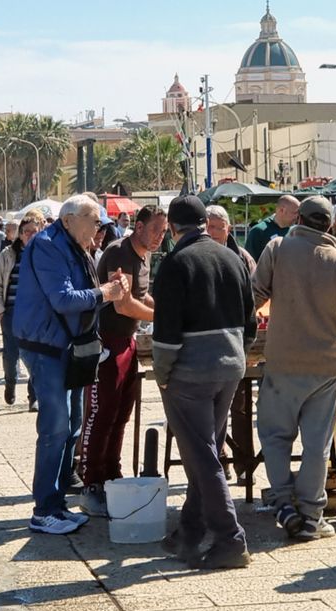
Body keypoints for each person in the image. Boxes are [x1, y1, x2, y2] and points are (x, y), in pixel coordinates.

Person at [252, 197, 336, 540]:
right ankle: (311, 515)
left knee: (274, 438)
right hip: (324, 365)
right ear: (329, 226)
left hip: (281, 360)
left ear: (299, 219)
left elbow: (253, 296)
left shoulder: (277, 249)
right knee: (317, 445)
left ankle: (284, 505)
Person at [14, 194, 129, 535]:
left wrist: (109, 290)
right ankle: (44, 509)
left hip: (71, 346)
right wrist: (105, 293)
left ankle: (58, 503)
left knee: (73, 425)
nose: (99, 230)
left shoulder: (76, 247)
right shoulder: (48, 246)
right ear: (68, 220)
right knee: (55, 427)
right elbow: (63, 300)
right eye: (94, 222)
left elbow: (84, 296)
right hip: (47, 346)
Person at [153, 195, 257, 569]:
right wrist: (237, 354)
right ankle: (190, 531)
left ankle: (230, 538)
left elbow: (166, 336)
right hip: (230, 367)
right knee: (205, 451)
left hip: (190, 373)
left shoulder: (175, 264)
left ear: (172, 227)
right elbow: (251, 324)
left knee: (202, 457)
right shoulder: (233, 257)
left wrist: (163, 376)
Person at [78, 204, 167, 516]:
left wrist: (170, 307)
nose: (159, 237)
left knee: (121, 414)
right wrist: (164, 317)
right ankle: (90, 483)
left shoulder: (144, 256)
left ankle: (111, 476)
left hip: (128, 341)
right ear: (138, 227)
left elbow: (142, 298)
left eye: (164, 232)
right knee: (100, 413)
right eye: (155, 230)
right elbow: (124, 305)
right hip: (107, 342)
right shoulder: (119, 252)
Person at [205, 205, 256, 483]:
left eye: (217, 227)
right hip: (206, 347)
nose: (212, 233)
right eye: (208, 227)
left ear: (227, 229)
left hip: (236, 344)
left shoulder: (243, 259)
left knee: (240, 407)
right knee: (209, 410)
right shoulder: (197, 256)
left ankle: (244, 464)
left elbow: (255, 299)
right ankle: (218, 460)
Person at [0, 217, 38, 410]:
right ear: (20, 234)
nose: (31, 235)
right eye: (27, 232)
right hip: (10, 313)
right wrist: (0, 312)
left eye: (35, 231)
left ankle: (33, 396)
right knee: (11, 356)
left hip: (34, 314)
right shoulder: (8, 254)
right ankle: (10, 384)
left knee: (34, 356)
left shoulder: (42, 254)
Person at [245, 195, 299, 261]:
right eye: (295, 213)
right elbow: (249, 263)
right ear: (282, 210)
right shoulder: (258, 231)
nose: (297, 216)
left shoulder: (296, 230)